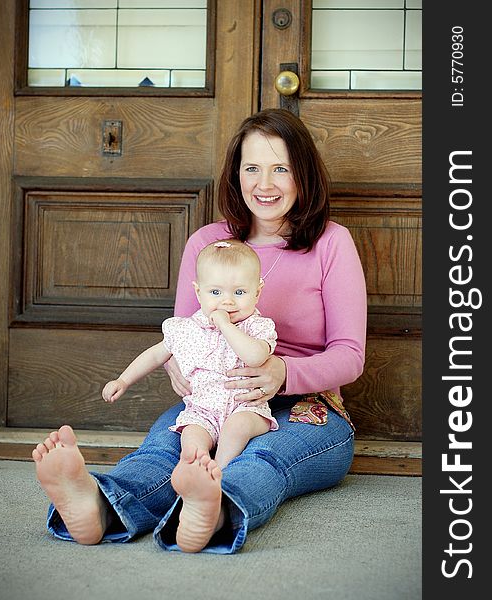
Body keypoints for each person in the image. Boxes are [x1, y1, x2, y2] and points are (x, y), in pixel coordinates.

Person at [32, 107, 367, 555]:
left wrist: (281, 373)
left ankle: (216, 506)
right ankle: (98, 503)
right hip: (215, 398)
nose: (264, 184)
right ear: (236, 174)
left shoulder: (331, 242)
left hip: (309, 407)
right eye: (252, 168)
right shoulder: (207, 243)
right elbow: (182, 338)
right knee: (166, 451)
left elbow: (350, 354)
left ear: (303, 174)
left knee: (260, 459)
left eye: (280, 169)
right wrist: (179, 370)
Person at [102, 238, 278, 476]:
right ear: (198, 292)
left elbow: (256, 357)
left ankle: (220, 470)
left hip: (245, 407)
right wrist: (122, 380)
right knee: (191, 436)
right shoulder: (186, 328)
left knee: (238, 428)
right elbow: (155, 355)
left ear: (257, 292)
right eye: (215, 292)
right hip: (202, 409)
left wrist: (226, 326)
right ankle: (198, 468)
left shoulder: (257, 327)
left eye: (239, 292)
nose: (227, 301)